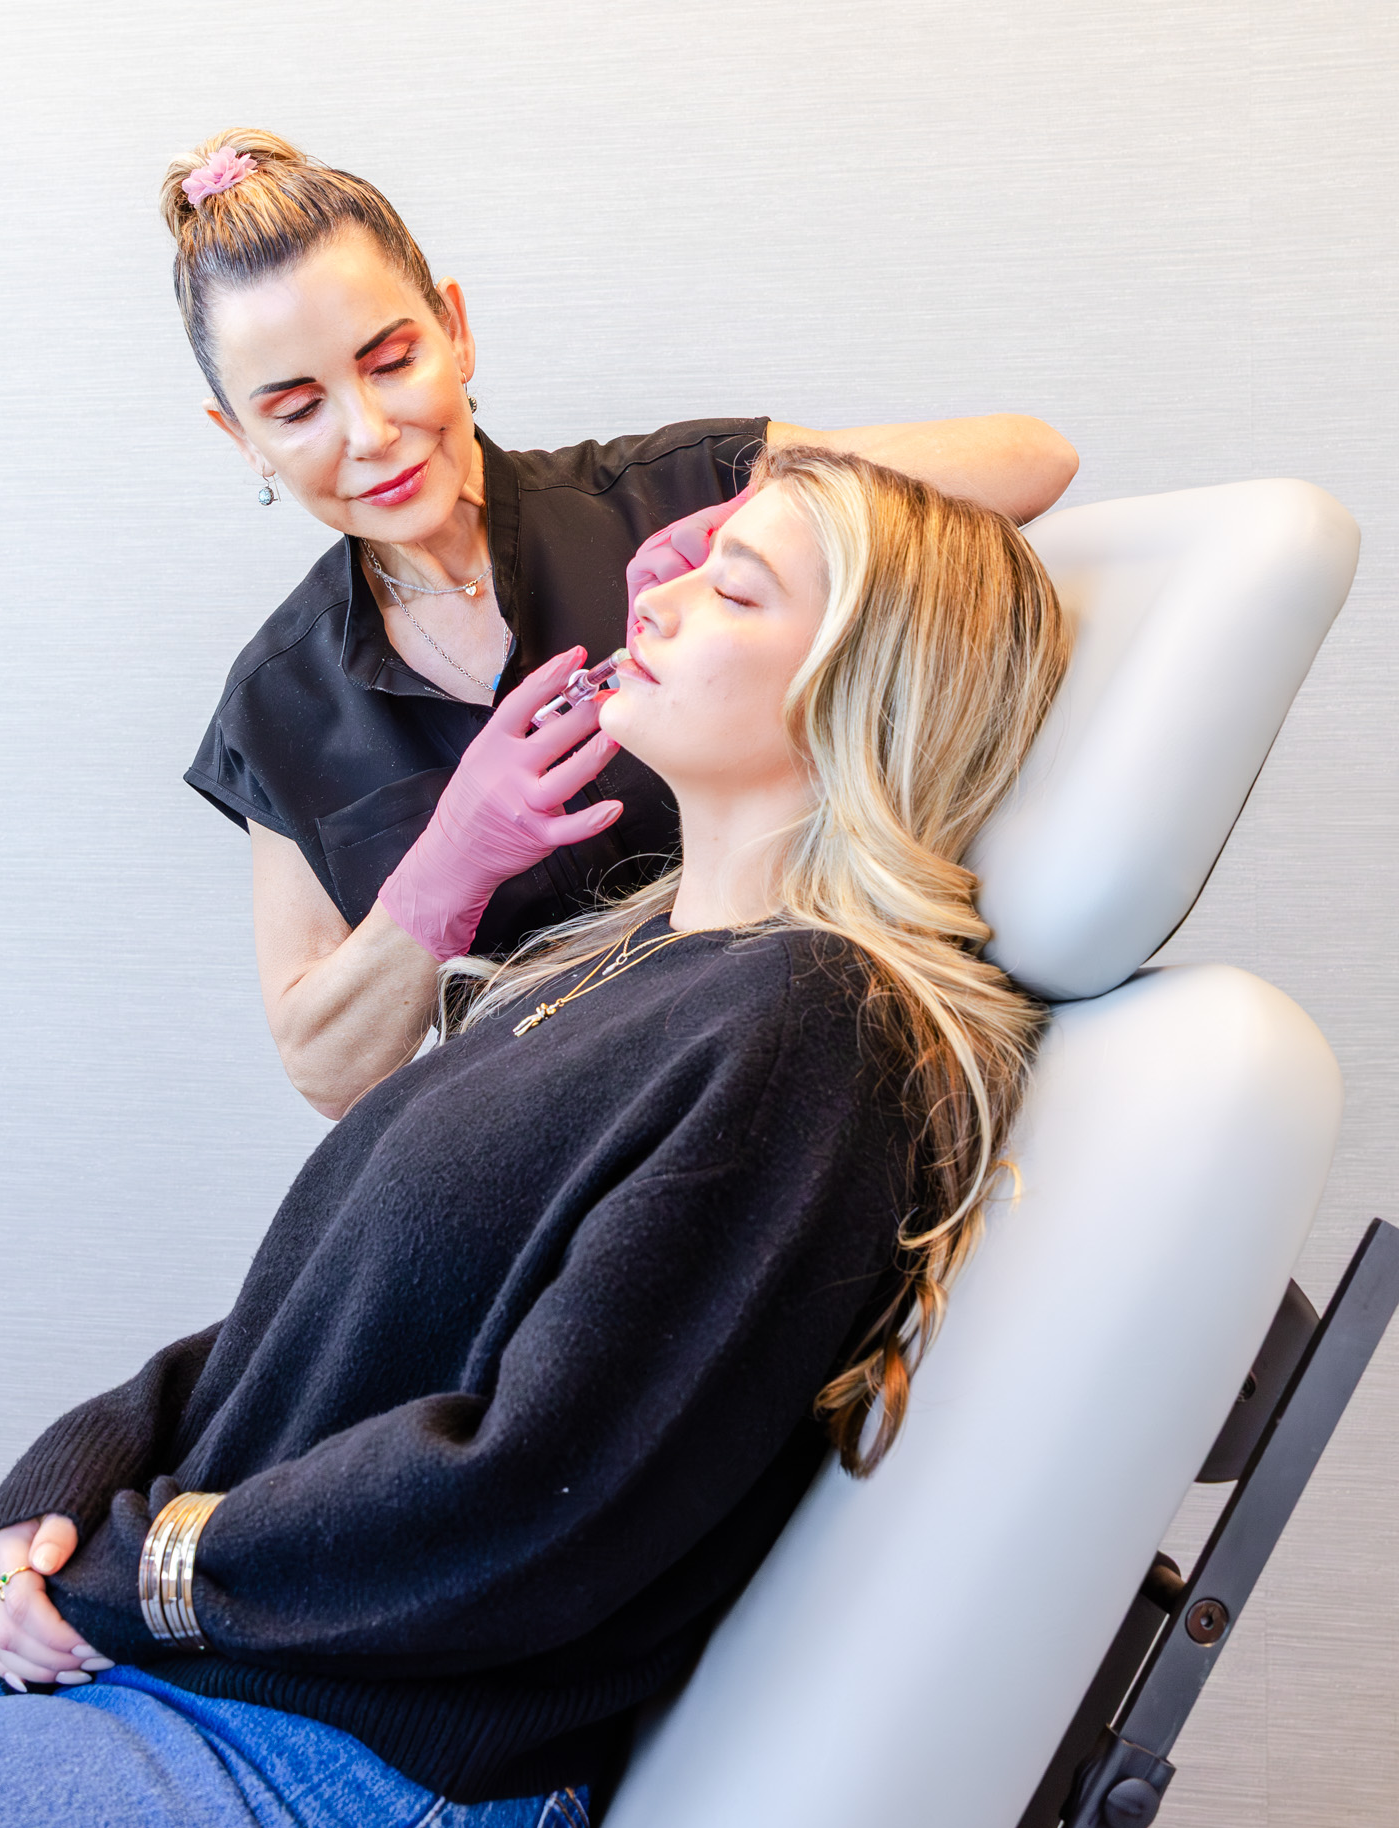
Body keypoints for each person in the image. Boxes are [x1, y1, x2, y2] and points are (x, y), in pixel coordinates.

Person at [0, 448, 1069, 1828]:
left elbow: (540, 1492)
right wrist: (53, 1501)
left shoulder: (812, 1031)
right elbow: (302, 1319)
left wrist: (140, 1573)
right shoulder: (616, 960)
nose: (655, 588)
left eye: (734, 585)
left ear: (864, 691)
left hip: (358, 1790)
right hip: (228, 1653)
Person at [170, 128, 1080, 1116]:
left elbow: (1031, 460)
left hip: (822, 1063)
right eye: (298, 409)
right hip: (573, 1134)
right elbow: (326, 1070)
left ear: (454, 330)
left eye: (390, 360)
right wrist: (445, 869)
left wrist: (754, 523)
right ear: (243, 439)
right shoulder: (281, 703)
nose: (370, 433)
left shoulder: (662, 491)